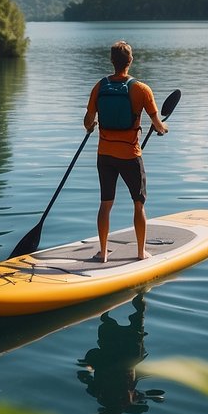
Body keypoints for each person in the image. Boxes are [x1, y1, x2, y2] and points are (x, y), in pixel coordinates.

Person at [83, 40, 167, 262]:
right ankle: (140, 253)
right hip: (130, 156)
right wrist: (162, 129)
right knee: (138, 203)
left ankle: (103, 253)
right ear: (130, 61)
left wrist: (91, 126)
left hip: (105, 155)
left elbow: (88, 121)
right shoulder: (141, 89)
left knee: (105, 203)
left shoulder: (99, 87)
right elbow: (157, 124)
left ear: (112, 61)